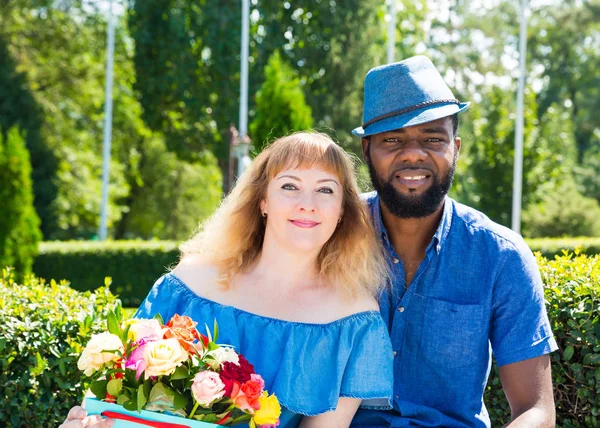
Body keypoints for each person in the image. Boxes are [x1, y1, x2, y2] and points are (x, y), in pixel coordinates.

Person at [61, 132, 394, 428]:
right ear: (263, 200)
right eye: (289, 186)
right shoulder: (190, 282)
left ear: (342, 210)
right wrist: (88, 420)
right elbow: (115, 385)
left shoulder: (355, 322)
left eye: (325, 190)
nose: (307, 205)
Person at [349, 56, 558, 428]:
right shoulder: (330, 235)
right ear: (367, 149)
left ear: (455, 148)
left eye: (432, 139)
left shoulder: (501, 256)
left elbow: (536, 410)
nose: (413, 153)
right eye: (392, 139)